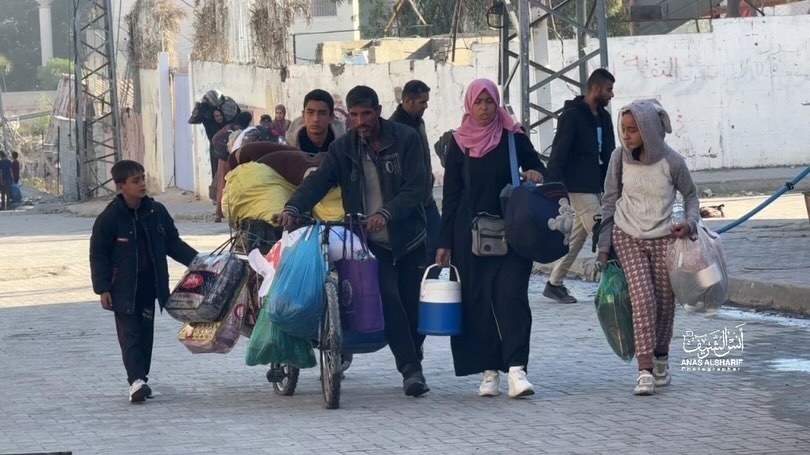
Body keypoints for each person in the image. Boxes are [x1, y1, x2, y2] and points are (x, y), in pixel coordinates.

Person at [276, 85, 430, 398]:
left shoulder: (406, 139)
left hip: (409, 238)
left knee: (413, 308)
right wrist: (293, 208)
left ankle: (414, 357)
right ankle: (411, 370)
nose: (361, 121)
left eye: (366, 114)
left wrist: (386, 213)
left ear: (378, 112)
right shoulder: (343, 148)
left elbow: (417, 187)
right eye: (355, 115)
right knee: (390, 298)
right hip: (368, 243)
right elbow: (319, 181)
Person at [435, 79, 546, 399]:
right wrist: (443, 242)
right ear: (469, 105)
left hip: (512, 233)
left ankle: (517, 370)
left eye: (489, 102)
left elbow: (538, 168)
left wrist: (535, 174)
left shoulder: (513, 137)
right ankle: (488, 370)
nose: (484, 108)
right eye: (478, 102)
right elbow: (451, 196)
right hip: (469, 236)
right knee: (477, 303)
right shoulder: (458, 144)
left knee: (511, 298)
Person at [596, 99, 699, 396]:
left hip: (665, 239)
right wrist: (603, 246)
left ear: (650, 130)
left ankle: (661, 358)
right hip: (627, 235)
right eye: (623, 129)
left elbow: (691, 196)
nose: (626, 136)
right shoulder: (619, 158)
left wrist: (689, 224)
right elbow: (609, 201)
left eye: (633, 130)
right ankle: (644, 370)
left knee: (664, 304)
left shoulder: (672, 162)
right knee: (643, 299)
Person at [89, 160, 198, 403]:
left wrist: (198, 261)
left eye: (143, 179)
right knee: (130, 334)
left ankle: (141, 379)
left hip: (150, 286)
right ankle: (135, 381)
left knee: (145, 334)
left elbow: (172, 243)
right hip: (122, 288)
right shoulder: (110, 218)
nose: (142, 184)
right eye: (135, 181)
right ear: (120, 186)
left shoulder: (156, 212)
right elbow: (98, 254)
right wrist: (102, 288)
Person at [544, 68, 616, 304]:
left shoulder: (604, 118)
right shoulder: (572, 116)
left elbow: (609, 154)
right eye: (608, 89)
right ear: (595, 88)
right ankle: (615, 287)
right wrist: (551, 188)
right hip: (578, 186)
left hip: (597, 185)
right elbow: (559, 152)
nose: (611, 94)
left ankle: (554, 283)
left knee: (577, 238)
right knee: (603, 232)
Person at [389, 80, 440, 264]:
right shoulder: (395, 128)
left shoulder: (419, 123)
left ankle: (431, 279)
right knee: (419, 251)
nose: (426, 106)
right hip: (410, 203)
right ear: (408, 101)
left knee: (437, 245)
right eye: (422, 102)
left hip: (427, 199)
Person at [189, 90, 240, 200]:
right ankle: (219, 198)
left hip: (227, 146)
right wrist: (203, 104)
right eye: (216, 116)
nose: (219, 118)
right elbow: (193, 119)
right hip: (218, 147)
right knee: (218, 175)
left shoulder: (226, 108)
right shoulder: (207, 111)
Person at [211, 111, 253, 222]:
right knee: (233, 185)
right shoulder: (245, 132)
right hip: (234, 160)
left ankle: (218, 213)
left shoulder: (228, 127)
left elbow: (214, 139)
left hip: (222, 160)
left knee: (221, 185)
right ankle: (232, 212)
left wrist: (220, 150)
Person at [285, 89, 346, 155]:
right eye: (310, 112)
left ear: (331, 117)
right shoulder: (289, 147)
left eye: (322, 113)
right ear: (303, 115)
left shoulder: (345, 147)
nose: (316, 119)